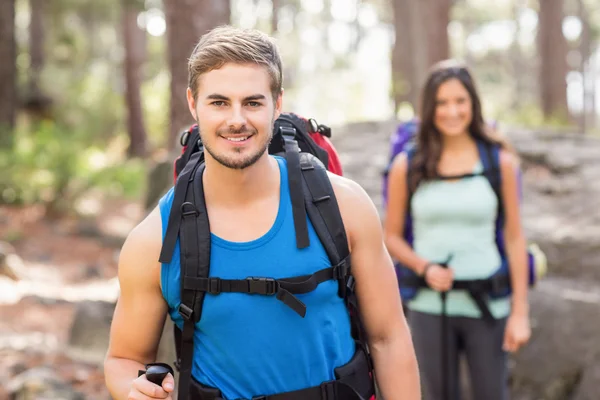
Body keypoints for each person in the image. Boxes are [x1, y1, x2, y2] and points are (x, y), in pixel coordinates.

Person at [104, 25, 420, 400]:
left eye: (252, 102)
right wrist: (132, 388)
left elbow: (389, 338)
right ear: (193, 103)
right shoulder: (154, 241)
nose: (236, 120)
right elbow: (123, 358)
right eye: (219, 102)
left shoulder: (343, 205)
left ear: (277, 104)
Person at [384, 60, 531, 400]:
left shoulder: (499, 162)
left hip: (489, 306)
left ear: (473, 104)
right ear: (429, 107)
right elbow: (389, 236)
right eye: (442, 102)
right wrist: (425, 267)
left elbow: (514, 238)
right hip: (429, 307)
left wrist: (520, 313)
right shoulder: (407, 164)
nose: (452, 111)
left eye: (460, 101)